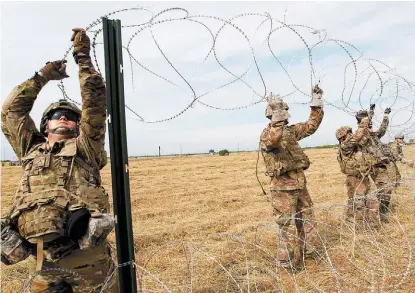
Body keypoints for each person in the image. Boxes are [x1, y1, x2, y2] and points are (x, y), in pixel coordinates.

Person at [1, 28, 118, 292]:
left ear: (78, 126)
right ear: (45, 127)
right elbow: (11, 110)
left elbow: (95, 103)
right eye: (57, 115)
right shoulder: (31, 149)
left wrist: (83, 58)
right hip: (42, 258)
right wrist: (42, 77)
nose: (64, 117)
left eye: (70, 116)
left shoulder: (86, 147)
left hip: (88, 258)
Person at [260, 85, 324, 272]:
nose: (287, 113)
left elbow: (311, 126)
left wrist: (316, 103)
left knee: (307, 219)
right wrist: (277, 115)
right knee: (287, 226)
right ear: (273, 114)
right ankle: (285, 264)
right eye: (282, 110)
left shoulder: (291, 131)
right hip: (282, 188)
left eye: (286, 109)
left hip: (299, 184)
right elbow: (274, 139)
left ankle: (309, 255)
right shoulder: (267, 134)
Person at [355, 105, 398, 221]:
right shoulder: (360, 137)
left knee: (387, 190)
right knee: (380, 191)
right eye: (368, 124)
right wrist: (370, 113)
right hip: (374, 168)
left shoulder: (373, 135)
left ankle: (382, 212)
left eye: (370, 125)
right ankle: (377, 215)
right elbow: (362, 133)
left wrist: (385, 116)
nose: (370, 126)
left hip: (383, 166)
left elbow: (382, 129)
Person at [335, 124, 378, 226]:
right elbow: (357, 137)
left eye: (351, 132)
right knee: (358, 204)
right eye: (348, 133)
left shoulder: (356, 146)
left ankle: (373, 225)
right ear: (343, 137)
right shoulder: (345, 146)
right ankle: (357, 227)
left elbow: (365, 138)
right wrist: (364, 123)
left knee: (373, 200)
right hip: (355, 179)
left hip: (365, 177)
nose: (351, 134)